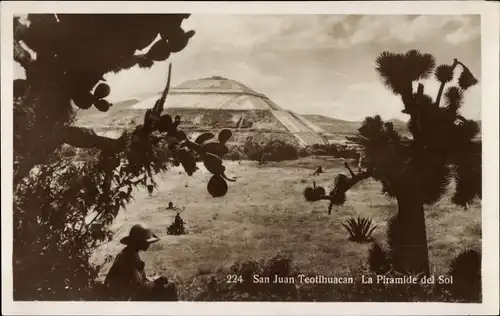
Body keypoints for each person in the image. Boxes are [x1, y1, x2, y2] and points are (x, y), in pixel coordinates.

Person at [104, 224, 177, 301]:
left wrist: (153, 280)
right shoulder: (129, 258)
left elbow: (138, 281)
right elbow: (136, 287)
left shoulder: (129, 253)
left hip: (125, 294)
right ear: (138, 242)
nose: (149, 244)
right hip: (124, 297)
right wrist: (155, 283)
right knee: (170, 287)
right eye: (146, 242)